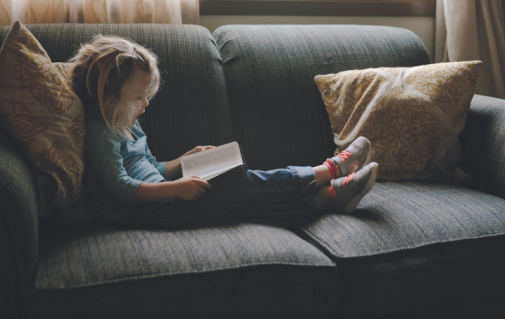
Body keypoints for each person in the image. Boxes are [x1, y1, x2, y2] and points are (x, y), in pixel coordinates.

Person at [69, 34, 379, 229]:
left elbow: (152, 169)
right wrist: (176, 188)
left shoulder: (127, 123)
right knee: (237, 184)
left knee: (239, 184)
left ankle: (328, 197)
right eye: (138, 97)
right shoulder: (101, 134)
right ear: (109, 97)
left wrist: (183, 161)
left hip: (162, 199)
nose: (146, 104)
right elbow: (122, 188)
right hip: (149, 213)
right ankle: (330, 170)